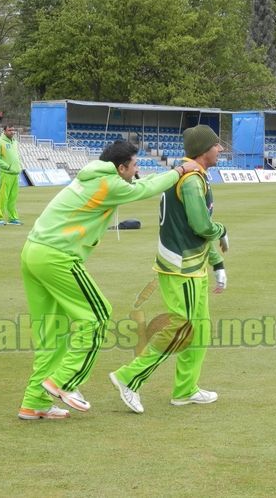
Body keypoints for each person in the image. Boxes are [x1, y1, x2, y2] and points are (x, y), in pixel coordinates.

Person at [18, 140, 201, 420]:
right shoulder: (109, 183)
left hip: (34, 252)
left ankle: (34, 402)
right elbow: (145, 189)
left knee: (50, 332)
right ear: (121, 167)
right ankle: (64, 382)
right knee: (99, 315)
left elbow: (141, 183)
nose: (137, 169)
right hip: (57, 256)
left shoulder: (97, 176)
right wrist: (179, 171)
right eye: (135, 164)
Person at [109, 124, 228, 414]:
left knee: (198, 331)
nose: (221, 149)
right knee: (182, 328)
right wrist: (222, 230)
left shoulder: (194, 175)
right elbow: (203, 225)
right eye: (216, 145)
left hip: (192, 267)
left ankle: (186, 390)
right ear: (204, 150)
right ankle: (129, 378)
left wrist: (217, 263)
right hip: (181, 268)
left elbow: (200, 229)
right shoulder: (190, 180)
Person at [0, 125, 22, 226]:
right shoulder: (0, 142)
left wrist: (18, 167)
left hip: (15, 173)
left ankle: (12, 218)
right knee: (2, 197)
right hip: (5, 173)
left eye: (13, 130)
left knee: (12, 198)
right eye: (10, 130)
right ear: (4, 131)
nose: (12, 132)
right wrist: (8, 167)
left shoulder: (14, 142)